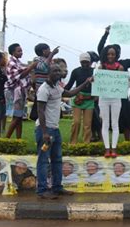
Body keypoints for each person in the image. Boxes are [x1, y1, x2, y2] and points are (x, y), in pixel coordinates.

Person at [36, 64, 93, 199]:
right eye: (55, 71)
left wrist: (86, 82)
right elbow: (40, 111)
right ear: (48, 73)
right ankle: (42, 190)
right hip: (45, 130)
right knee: (43, 161)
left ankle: (57, 187)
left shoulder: (57, 87)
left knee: (57, 160)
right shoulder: (44, 89)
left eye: (59, 71)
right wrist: (44, 132)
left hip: (55, 129)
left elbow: (71, 93)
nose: (58, 73)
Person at [97, 26, 130, 143]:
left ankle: (127, 141)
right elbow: (100, 47)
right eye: (108, 54)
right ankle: (106, 144)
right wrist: (106, 34)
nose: (110, 56)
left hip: (121, 97)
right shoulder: (103, 65)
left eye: (113, 54)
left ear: (117, 54)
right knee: (105, 120)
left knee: (125, 119)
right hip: (106, 97)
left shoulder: (123, 64)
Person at [4, 43, 37, 139]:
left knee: (19, 117)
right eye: (19, 51)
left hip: (20, 92)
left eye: (21, 50)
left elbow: (25, 70)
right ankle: (6, 138)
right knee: (17, 117)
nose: (21, 52)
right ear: (13, 52)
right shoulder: (11, 63)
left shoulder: (18, 62)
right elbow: (20, 76)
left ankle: (18, 139)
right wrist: (31, 67)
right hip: (15, 92)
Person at [65, 53, 95, 144]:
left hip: (90, 98)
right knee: (76, 122)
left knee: (87, 124)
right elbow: (70, 84)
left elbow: (99, 86)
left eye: (86, 62)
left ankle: (86, 143)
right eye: (83, 62)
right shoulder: (76, 71)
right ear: (80, 62)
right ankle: (73, 143)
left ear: (90, 62)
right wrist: (61, 91)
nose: (85, 64)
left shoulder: (94, 72)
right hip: (78, 98)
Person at [30, 43, 60, 121]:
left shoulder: (50, 61)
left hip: (50, 88)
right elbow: (43, 67)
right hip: (41, 89)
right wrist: (52, 54)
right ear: (44, 51)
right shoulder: (37, 59)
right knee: (41, 111)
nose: (50, 51)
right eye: (49, 50)